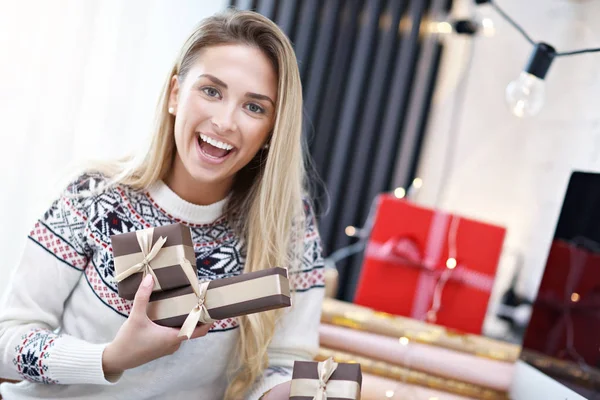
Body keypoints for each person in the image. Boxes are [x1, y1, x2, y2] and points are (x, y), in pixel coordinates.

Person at [0, 9, 325, 400]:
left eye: (254, 107)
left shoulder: (286, 225)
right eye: (211, 91)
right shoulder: (95, 197)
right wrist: (111, 357)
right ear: (175, 94)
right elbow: (8, 342)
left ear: (271, 130)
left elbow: (286, 363)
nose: (225, 121)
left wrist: (285, 392)